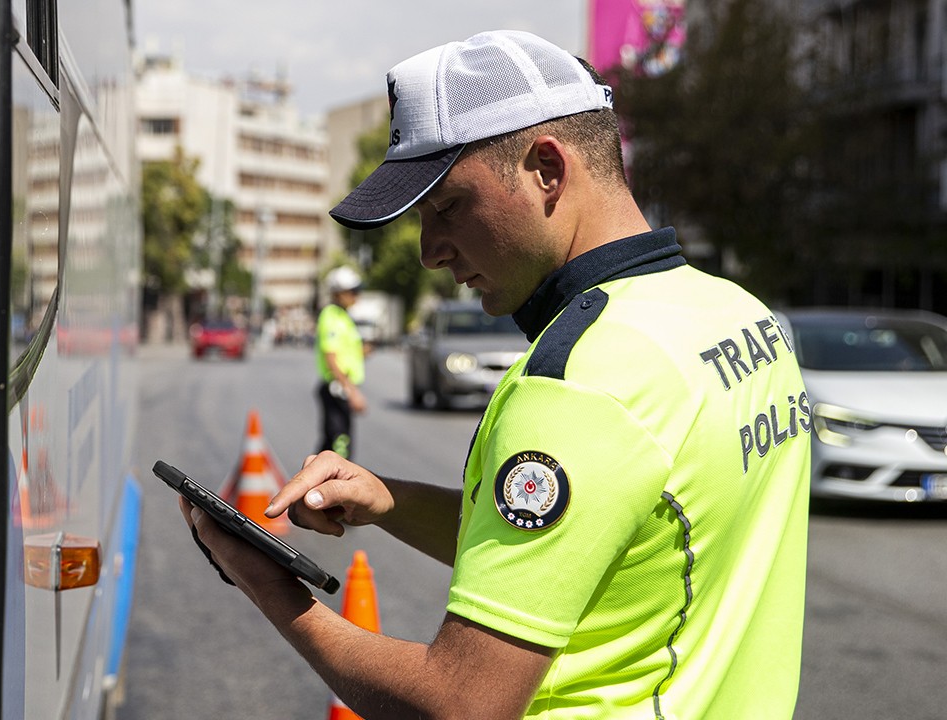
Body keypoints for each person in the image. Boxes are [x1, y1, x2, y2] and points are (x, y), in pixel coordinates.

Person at [179, 29, 811, 719]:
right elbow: (586, 548)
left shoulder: (580, 382)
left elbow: (460, 704)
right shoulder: (737, 316)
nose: (429, 251)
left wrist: (268, 586)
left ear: (547, 168)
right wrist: (390, 500)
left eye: (447, 206)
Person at [315, 265, 368, 459]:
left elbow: (345, 352)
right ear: (338, 293)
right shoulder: (331, 316)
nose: (357, 295)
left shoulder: (343, 316)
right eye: (353, 291)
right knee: (340, 446)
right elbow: (330, 357)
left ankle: (312, 484)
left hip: (341, 386)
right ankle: (333, 487)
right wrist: (352, 391)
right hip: (337, 387)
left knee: (330, 445)